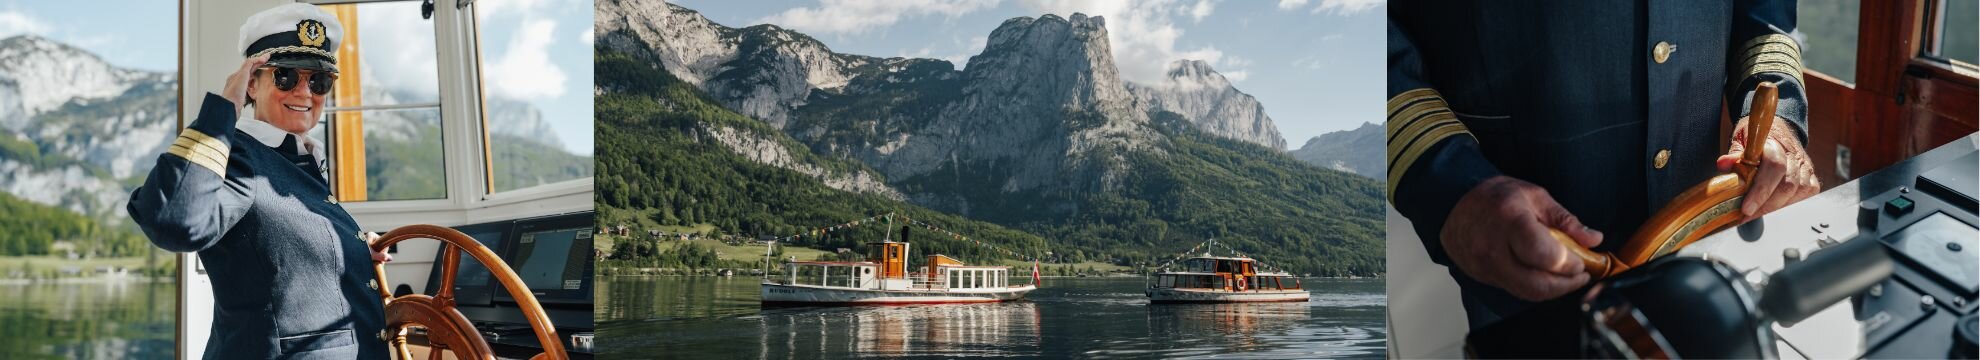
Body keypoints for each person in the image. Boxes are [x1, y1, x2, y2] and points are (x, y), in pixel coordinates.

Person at [1387, 1, 1822, 329]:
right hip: (1524, 257)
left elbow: (1764, 13)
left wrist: (1778, 116)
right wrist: (1450, 182)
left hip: (1707, 249)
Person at [127, 4, 390, 358]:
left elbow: (281, 251)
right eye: (285, 76)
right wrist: (223, 109)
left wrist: (354, 249)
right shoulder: (240, 156)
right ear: (252, 82)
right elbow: (173, 220)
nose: (304, 92)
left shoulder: (297, 158)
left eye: (318, 80)